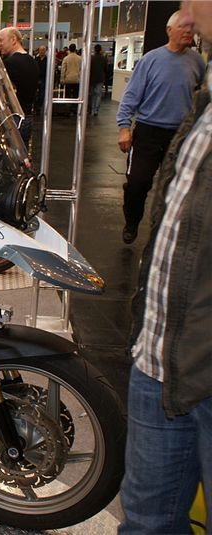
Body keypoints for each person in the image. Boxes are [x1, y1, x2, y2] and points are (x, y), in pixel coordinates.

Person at [118, 2, 212, 532]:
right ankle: (128, 224)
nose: (190, 18)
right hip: (158, 356)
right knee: (147, 520)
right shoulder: (199, 91)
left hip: (196, 365)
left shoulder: (197, 73)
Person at [116, 11, 204, 244]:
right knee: (137, 183)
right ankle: (132, 221)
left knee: (175, 186)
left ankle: (162, 230)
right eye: (183, 27)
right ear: (169, 30)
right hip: (148, 132)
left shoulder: (197, 62)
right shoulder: (151, 60)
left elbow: (202, 96)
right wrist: (124, 126)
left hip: (180, 135)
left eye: (191, 28)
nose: (188, 32)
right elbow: (131, 96)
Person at [0, 27, 39, 146]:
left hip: (13, 120)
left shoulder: (10, 63)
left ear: (13, 40)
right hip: (27, 118)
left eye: (0, 40)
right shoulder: (32, 61)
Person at [61, 43, 81, 116]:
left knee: (67, 95)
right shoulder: (80, 58)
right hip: (77, 79)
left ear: (69, 49)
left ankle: (67, 110)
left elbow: (63, 70)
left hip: (68, 79)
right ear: (75, 49)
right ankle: (74, 109)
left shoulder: (66, 58)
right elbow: (81, 69)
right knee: (76, 95)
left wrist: (62, 79)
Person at [89, 44, 107, 117]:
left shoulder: (91, 58)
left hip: (92, 78)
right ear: (101, 49)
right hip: (100, 78)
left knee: (92, 94)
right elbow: (106, 69)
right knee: (98, 94)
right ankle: (96, 110)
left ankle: (92, 109)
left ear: (94, 49)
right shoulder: (104, 58)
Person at [34, 45, 49, 112]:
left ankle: (39, 106)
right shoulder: (35, 59)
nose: (42, 51)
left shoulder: (47, 60)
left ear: (45, 51)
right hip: (36, 78)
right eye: (41, 50)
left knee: (42, 94)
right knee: (35, 93)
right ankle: (35, 106)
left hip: (44, 78)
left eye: (43, 50)